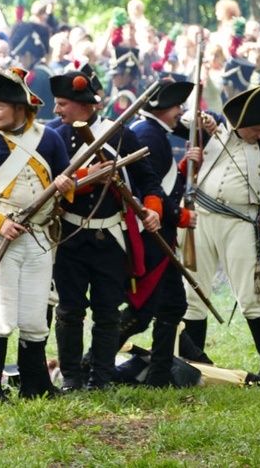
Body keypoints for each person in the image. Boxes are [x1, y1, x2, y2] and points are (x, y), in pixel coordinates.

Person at [0, 66, 74, 404]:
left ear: (21, 109)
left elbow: (66, 183)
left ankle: (36, 384)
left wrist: (66, 187)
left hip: (38, 238)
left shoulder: (48, 138)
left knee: (35, 316)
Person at [50, 69, 163, 392]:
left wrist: (153, 211)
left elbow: (147, 180)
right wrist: (87, 176)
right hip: (70, 236)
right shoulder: (55, 137)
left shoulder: (120, 135)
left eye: (62, 104)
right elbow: (52, 185)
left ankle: (101, 378)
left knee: (107, 313)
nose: (57, 111)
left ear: (83, 105)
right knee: (69, 311)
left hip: (110, 237)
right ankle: (72, 378)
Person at [181, 83, 260, 375]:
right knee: (195, 294)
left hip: (240, 225)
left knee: (252, 298)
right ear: (242, 122)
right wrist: (200, 119)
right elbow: (181, 123)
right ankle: (193, 364)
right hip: (200, 220)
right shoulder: (211, 131)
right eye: (257, 128)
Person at [124, 78, 206, 386]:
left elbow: (163, 183)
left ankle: (159, 373)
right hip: (152, 237)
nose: (180, 112)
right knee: (141, 309)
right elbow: (149, 190)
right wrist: (181, 215)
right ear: (163, 108)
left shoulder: (154, 133)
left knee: (172, 303)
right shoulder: (149, 134)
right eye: (177, 107)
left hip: (160, 234)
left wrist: (184, 167)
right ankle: (95, 361)